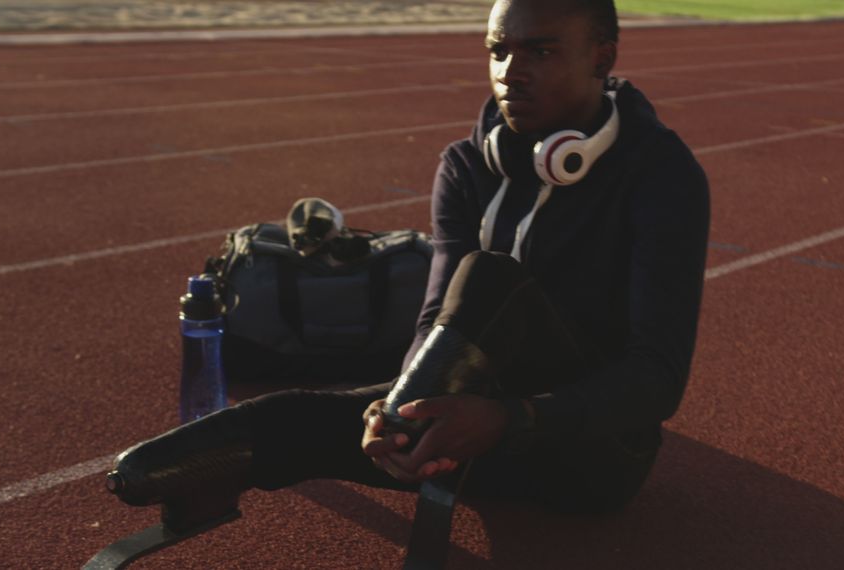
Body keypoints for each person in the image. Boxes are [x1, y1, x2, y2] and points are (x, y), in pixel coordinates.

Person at [108, 0, 709, 518]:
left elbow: (656, 380)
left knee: (488, 276)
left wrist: (508, 417)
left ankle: (407, 423)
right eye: (497, 51)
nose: (510, 73)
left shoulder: (661, 175)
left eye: (540, 52)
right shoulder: (468, 166)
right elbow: (434, 320)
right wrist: (394, 409)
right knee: (302, 417)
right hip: (463, 429)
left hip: (588, 459)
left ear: (602, 59)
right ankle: (143, 477)